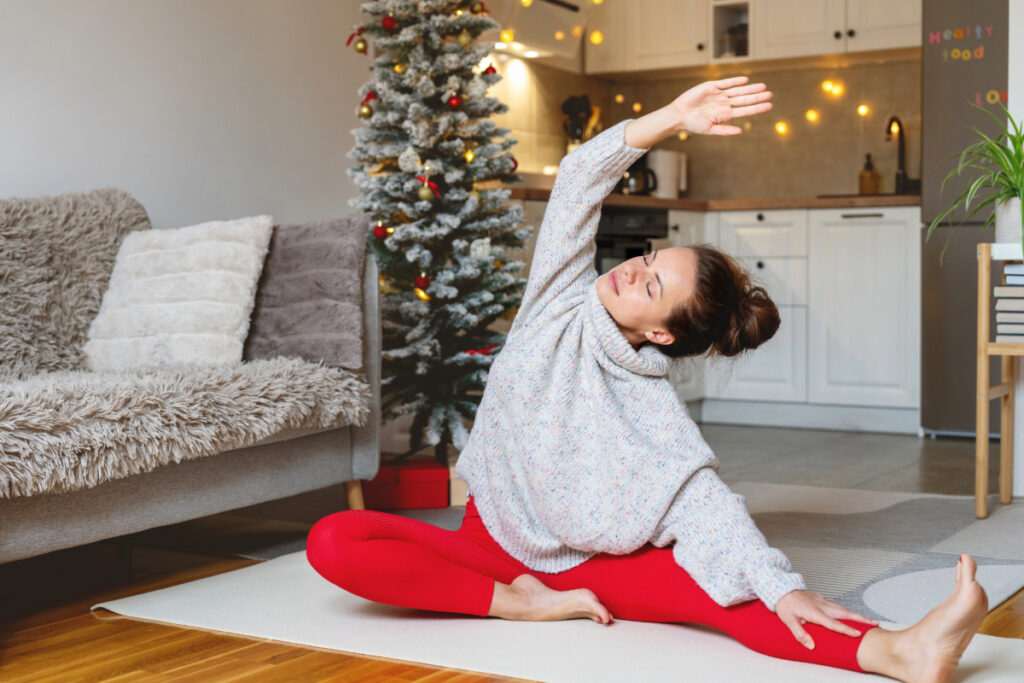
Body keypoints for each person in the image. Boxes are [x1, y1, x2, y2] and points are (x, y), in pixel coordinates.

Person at [307, 76, 989, 681]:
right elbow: (578, 177)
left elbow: (706, 506)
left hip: (584, 565)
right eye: (650, 257)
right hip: (492, 544)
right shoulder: (557, 304)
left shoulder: (653, 408)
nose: (631, 267)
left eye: (652, 282)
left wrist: (779, 586)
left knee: (726, 593)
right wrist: (670, 117)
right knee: (333, 539)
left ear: (660, 333)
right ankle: (520, 604)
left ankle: (899, 652)